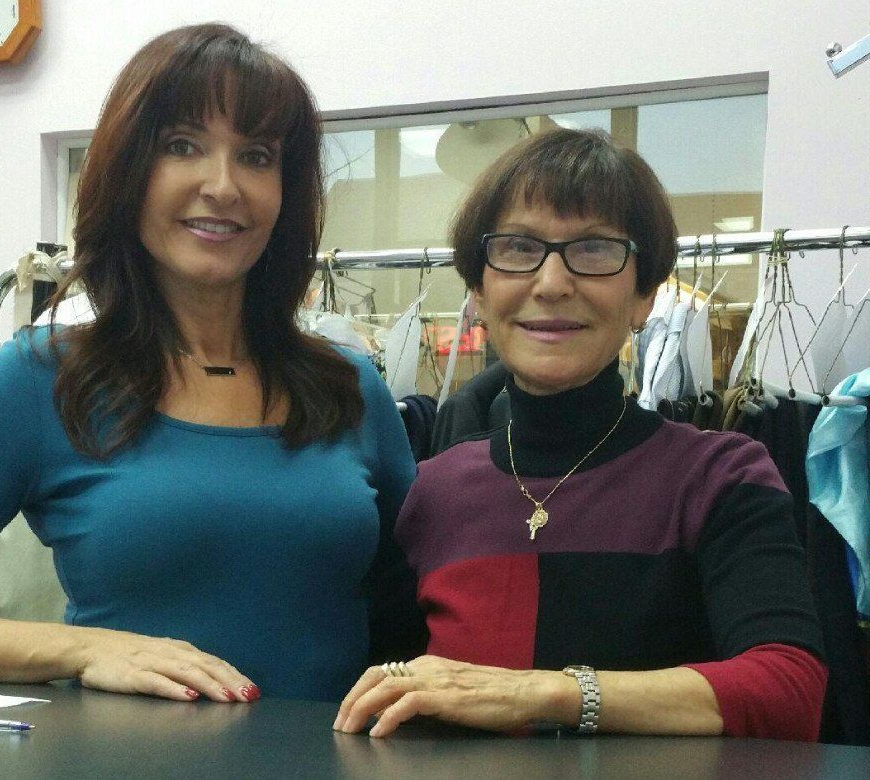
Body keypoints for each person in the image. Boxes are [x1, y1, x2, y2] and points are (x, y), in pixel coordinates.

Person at [0, 23, 423, 704]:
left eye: (257, 156)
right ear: (128, 174)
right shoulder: (43, 379)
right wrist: (81, 649)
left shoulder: (349, 389)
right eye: (183, 146)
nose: (223, 185)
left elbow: (420, 615)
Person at [335, 129, 827, 740]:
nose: (551, 283)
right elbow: (383, 690)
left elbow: (788, 691)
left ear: (645, 295)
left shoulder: (718, 476)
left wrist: (548, 692)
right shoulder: (433, 491)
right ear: (478, 293)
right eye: (518, 248)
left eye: (594, 250)